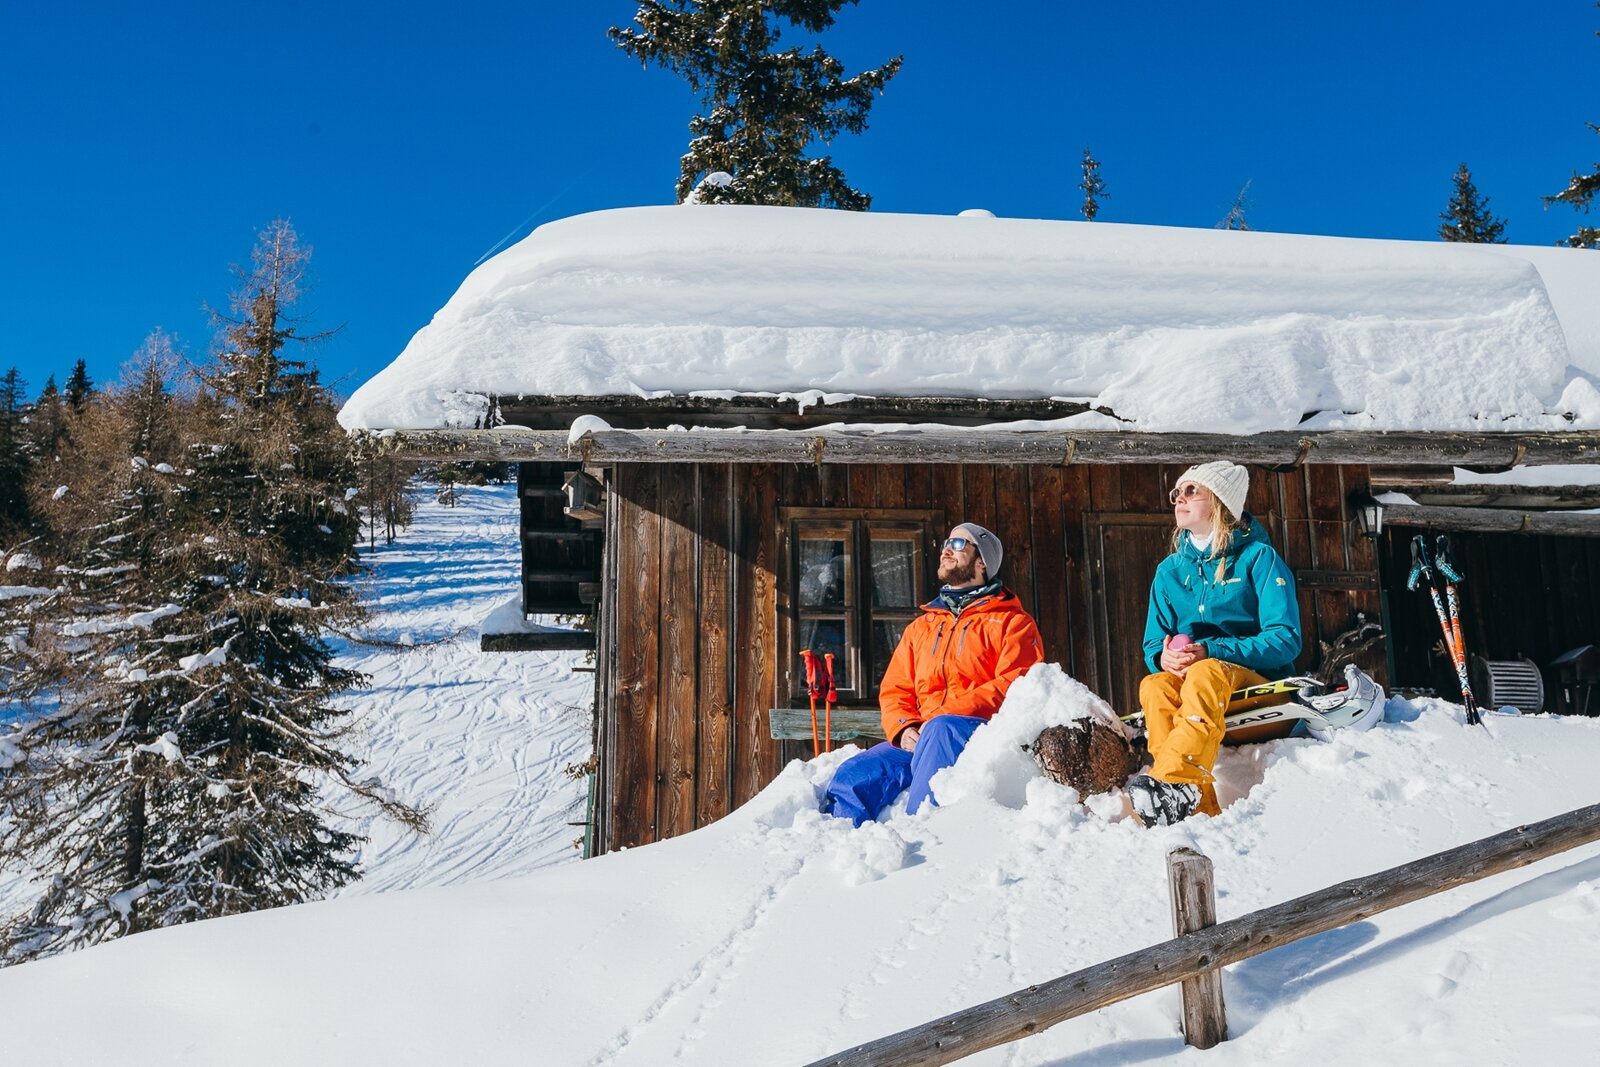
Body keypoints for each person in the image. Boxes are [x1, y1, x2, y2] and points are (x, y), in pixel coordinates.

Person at [822, 523, 1044, 826]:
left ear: (982, 562)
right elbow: (896, 688)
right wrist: (904, 728)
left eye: (958, 543)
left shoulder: (1012, 623)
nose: (947, 549)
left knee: (942, 729)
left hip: (977, 735)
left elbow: (1016, 685)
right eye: (946, 542)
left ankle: (924, 840)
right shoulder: (921, 628)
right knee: (853, 776)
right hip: (922, 735)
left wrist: (940, 718)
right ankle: (841, 851)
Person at [1129, 461, 1302, 827]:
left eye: (1192, 490)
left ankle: (1171, 779)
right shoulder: (1169, 572)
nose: (1179, 498)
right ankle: (1192, 809)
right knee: (1154, 685)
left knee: (1206, 671)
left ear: (1221, 503)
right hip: (1200, 692)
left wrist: (1212, 651)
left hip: (1259, 695)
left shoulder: (1259, 559)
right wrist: (1166, 658)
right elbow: (1152, 644)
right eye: (1177, 492)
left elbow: (1286, 639)